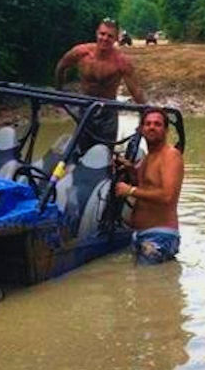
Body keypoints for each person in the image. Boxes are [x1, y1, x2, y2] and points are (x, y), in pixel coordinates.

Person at [55, 17, 146, 151]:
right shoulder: (81, 53)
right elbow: (61, 67)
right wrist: (59, 92)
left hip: (108, 111)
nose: (105, 39)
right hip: (85, 107)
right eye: (102, 34)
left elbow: (136, 91)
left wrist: (144, 116)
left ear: (116, 39)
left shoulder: (121, 62)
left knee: (105, 153)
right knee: (81, 150)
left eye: (110, 36)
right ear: (97, 33)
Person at [114, 107, 184, 265]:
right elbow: (146, 185)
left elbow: (167, 196)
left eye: (157, 124)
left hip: (160, 236)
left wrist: (130, 190)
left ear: (166, 130)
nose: (152, 127)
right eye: (148, 124)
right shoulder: (147, 158)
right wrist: (129, 169)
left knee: (147, 287)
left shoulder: (170, 155)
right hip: (141, 235)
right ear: (141, 129)